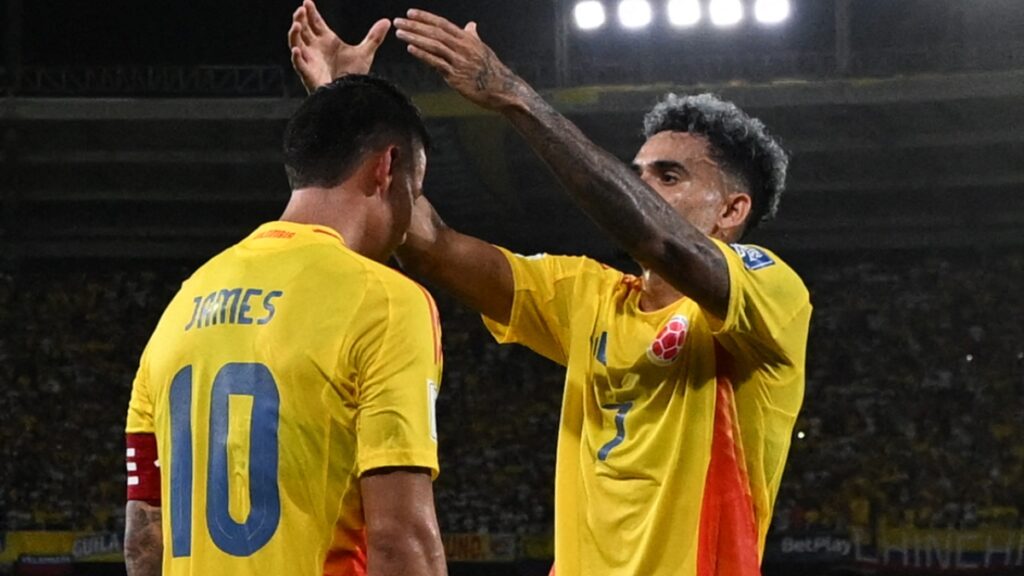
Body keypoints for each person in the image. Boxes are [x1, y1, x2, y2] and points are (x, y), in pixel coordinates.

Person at [291, 4, 811, 575]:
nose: (640, 186)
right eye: (637, 172)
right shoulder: (587, 296)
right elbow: (430, 244)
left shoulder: (771, 293)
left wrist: (515, 96)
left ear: (732, 211)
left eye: (668, 176)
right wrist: (347, 110)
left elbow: (661, 241)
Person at [123, 10, 447, 576]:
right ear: (387, 168)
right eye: (413, 193)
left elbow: (143, 543)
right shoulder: (386, 302)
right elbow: (402, 541)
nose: (406, 225)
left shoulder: (183, 303)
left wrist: (338, 94)